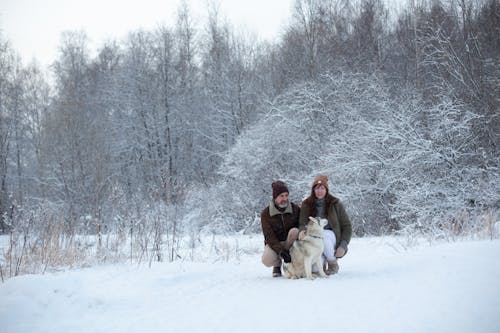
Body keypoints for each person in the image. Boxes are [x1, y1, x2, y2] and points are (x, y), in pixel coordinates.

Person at [299, 175, 352, 275]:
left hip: (330, 238)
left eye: (322, 188)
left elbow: (347, 226)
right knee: (315, 270)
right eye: (317, 188)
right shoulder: (306, 204)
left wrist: (343, 245)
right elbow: (302, 223)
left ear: (326, 190)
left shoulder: (335, 203)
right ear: (313, 190)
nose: (320, 191)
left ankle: (332, 262)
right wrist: (302, 231)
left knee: (325, 234)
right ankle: (321, 262)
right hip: (314, 241)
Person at [261, 180, 300, 277]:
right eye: (281, 196)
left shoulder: (295, 209)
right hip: (275, 244)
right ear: (275, 197)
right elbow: (269, 236)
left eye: (286, 195)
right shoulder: (266, 214)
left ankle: (294, 263)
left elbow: (301, 226)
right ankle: (277, 265)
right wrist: (281, 251)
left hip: (291, 242)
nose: (285, 199)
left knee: (295, 231)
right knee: (266, 260)